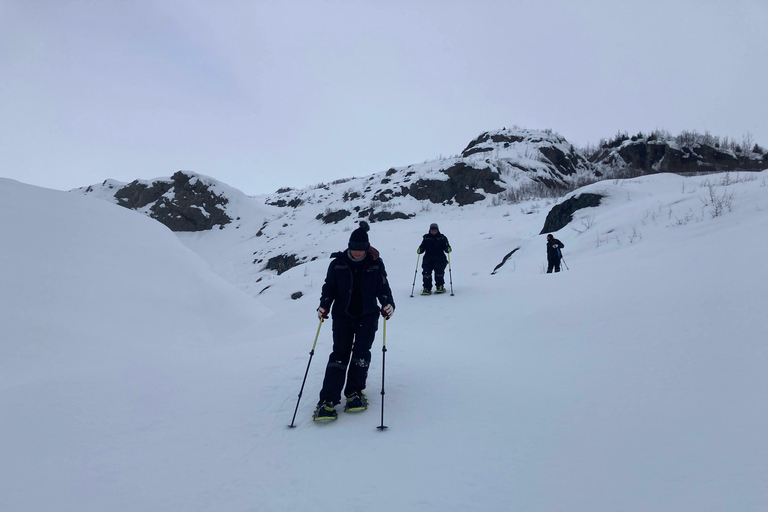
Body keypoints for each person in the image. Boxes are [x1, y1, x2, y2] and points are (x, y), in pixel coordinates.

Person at [314, 221, 395, 421]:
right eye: (354, 248)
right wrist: (324, 305)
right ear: (349, 247)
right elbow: (329, 288)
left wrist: (388, 304)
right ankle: (327, 400)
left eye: (361, 249)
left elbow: (383, 287)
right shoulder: (337, 264)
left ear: (367, 248)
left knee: (361, 354)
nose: (357, 252)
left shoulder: (375, 263)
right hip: (343, 316)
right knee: (339, 355)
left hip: (368, 316)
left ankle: (354, 392)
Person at [417, 223, 452, 295]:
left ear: (437, 230)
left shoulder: (442, 238)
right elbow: (422, 246)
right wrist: (420, 249)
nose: (433, 232)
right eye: (432, 230)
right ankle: (426, 288)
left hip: (440, 258)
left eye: (435, 230)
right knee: (426, 273)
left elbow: (446, 247)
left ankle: (440, 286)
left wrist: (448, 249)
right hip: (428, 258)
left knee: (439, 272)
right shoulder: (426, 238)